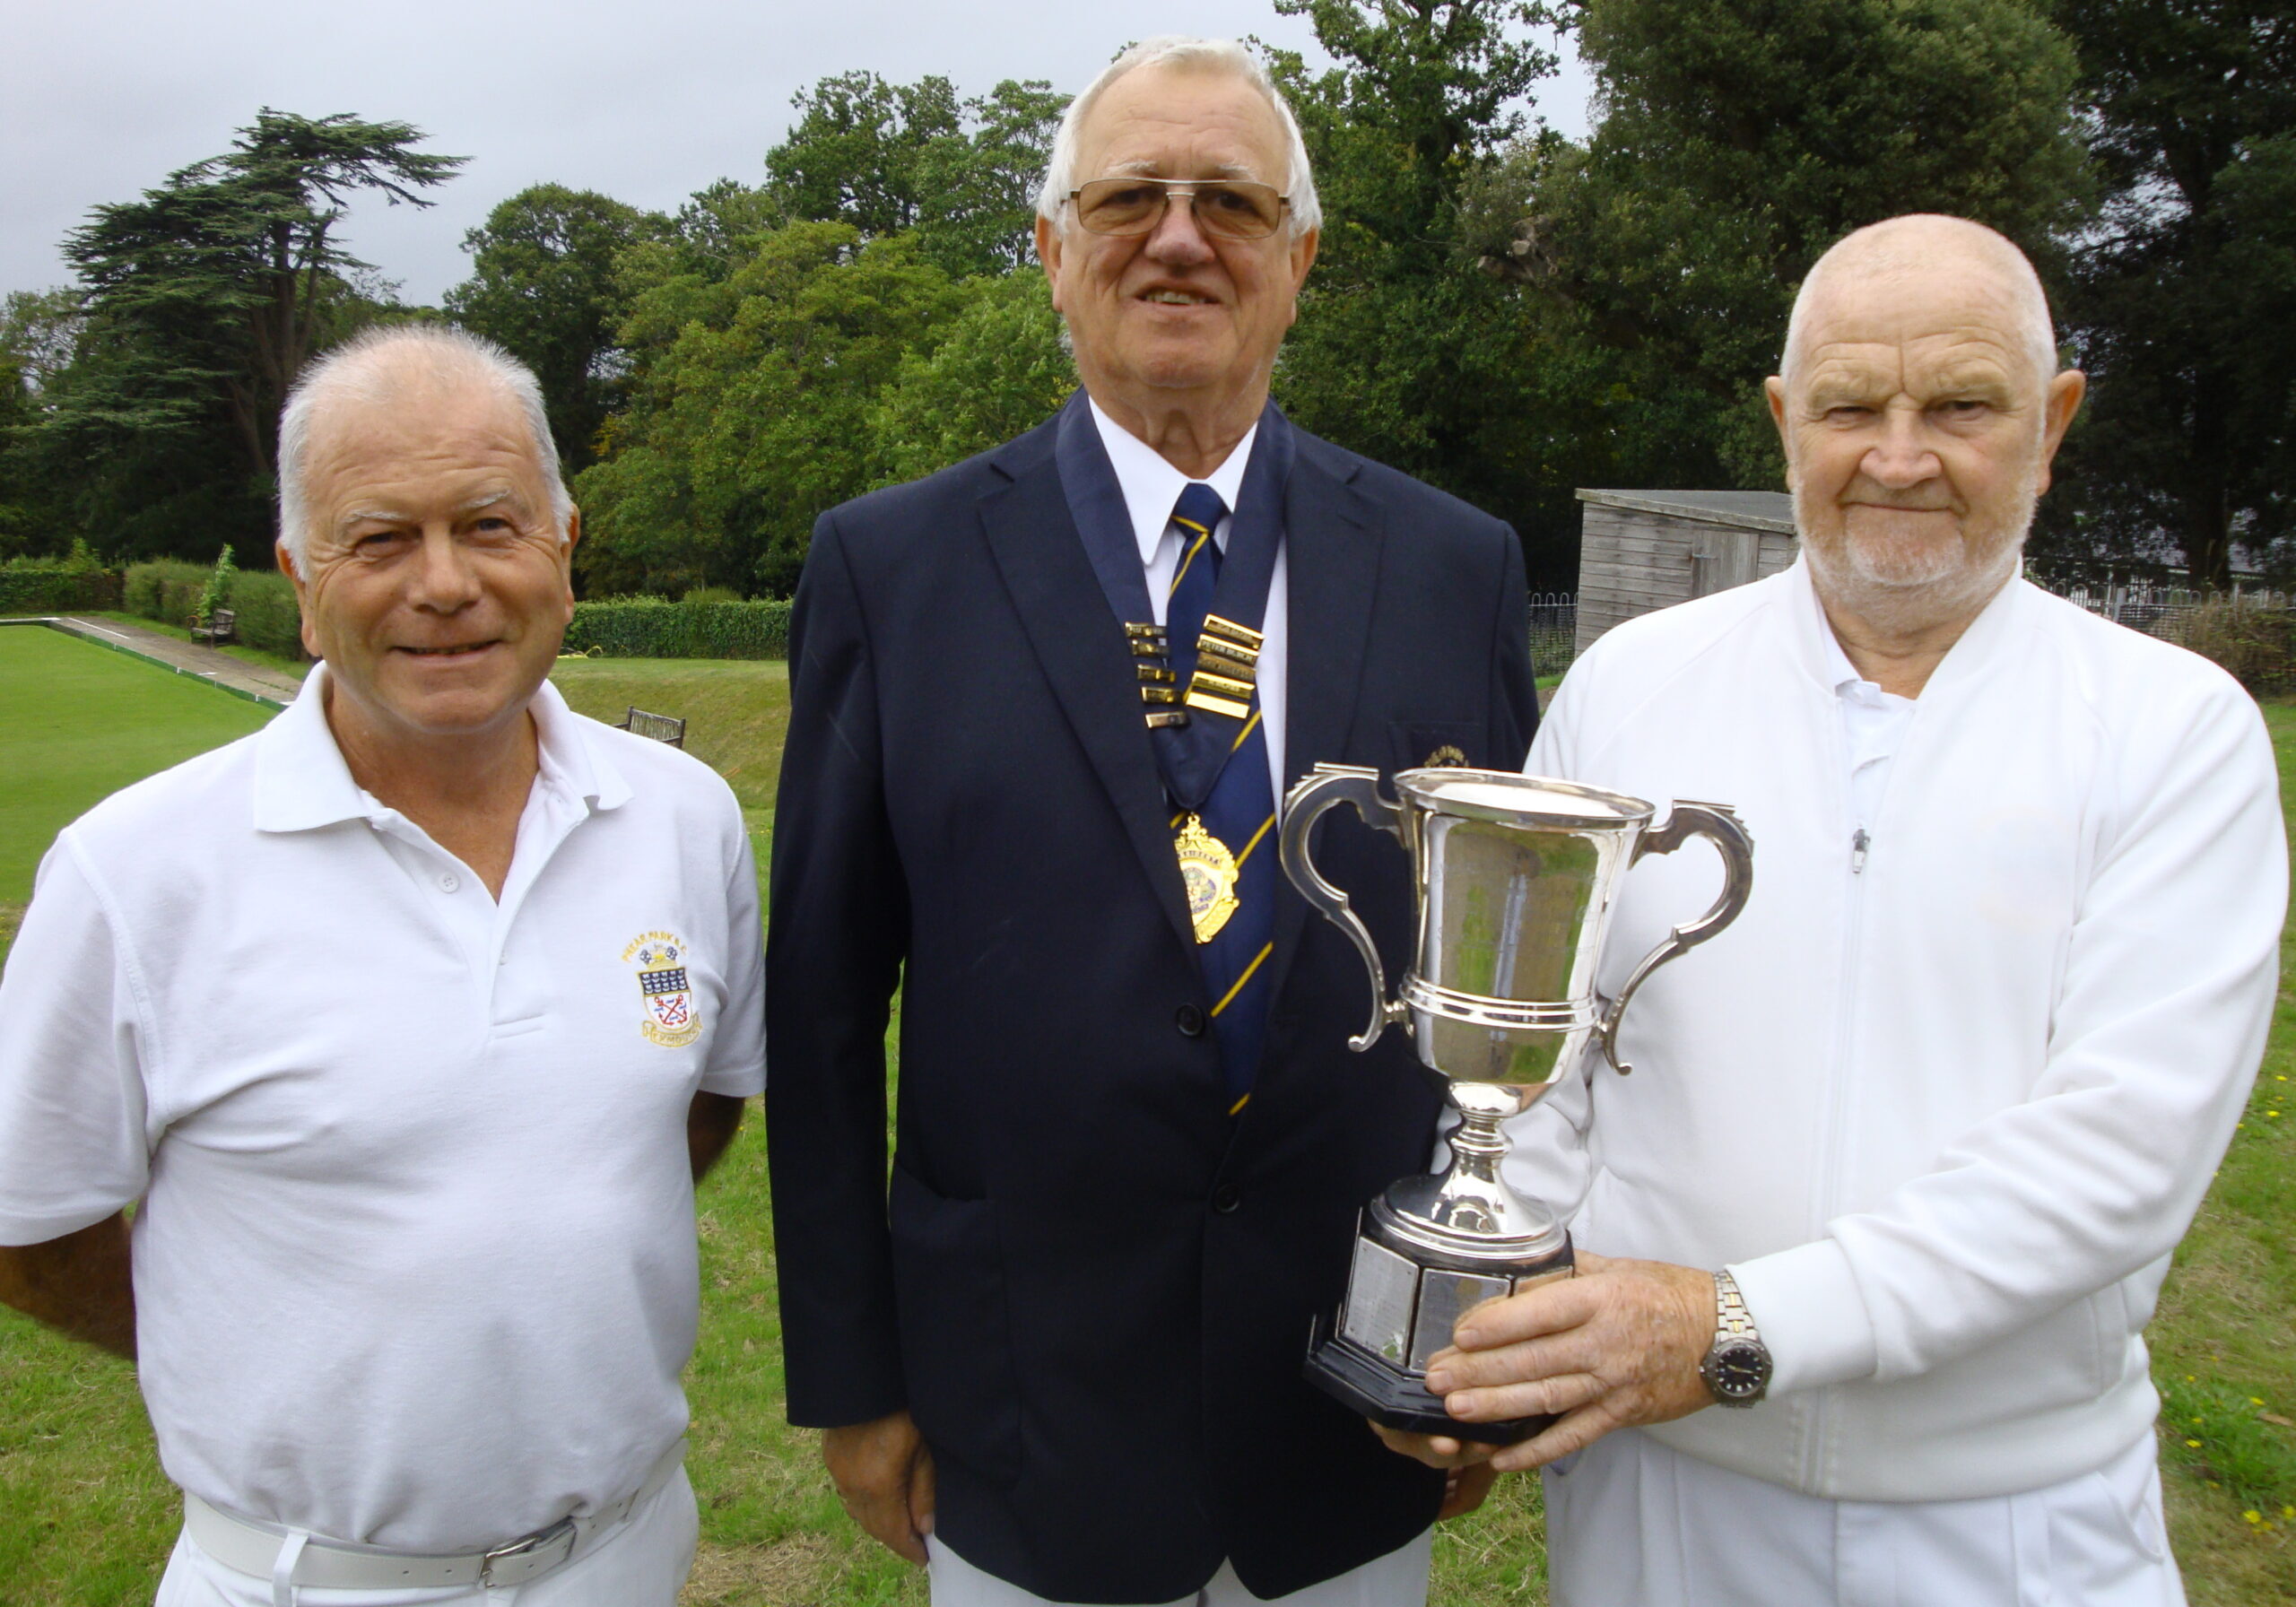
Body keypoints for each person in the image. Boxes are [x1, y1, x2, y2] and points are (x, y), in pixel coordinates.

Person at [1388, 214, 2285, 1603]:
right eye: (1851, 406)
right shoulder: (1632, 685)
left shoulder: (2172, 732)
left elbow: (2120, 1156)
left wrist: (1736, 1325)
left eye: (1963, 405)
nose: (1900, 455)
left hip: (2005, 1521)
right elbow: (1540, 1075)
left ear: (2053, 425)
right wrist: (1486, 1339)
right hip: (1661, 1512)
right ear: (1782, 420)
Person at [765, 35, 1539, 1607]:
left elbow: (1512, 979)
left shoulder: (1455, 565)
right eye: (1129, 196)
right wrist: (851, 1380)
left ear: (1299, 260)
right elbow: (827, 1012)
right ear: (1050, 249)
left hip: (1349, 1411)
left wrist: (1470, 1331)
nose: (1178, 236)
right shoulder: (889, 570)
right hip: (1022, 1404)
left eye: (1231, 204)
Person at [0, 326, 764, 1606]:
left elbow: (696, 1105)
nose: (447, 583)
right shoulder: (134, 872)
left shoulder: (686, 816)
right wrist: (235, 1351)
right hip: (312, 1581)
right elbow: (27, 1230)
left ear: (565, 549)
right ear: (300, 580)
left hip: (632, 1550)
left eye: (490, 524)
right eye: (380, 539)